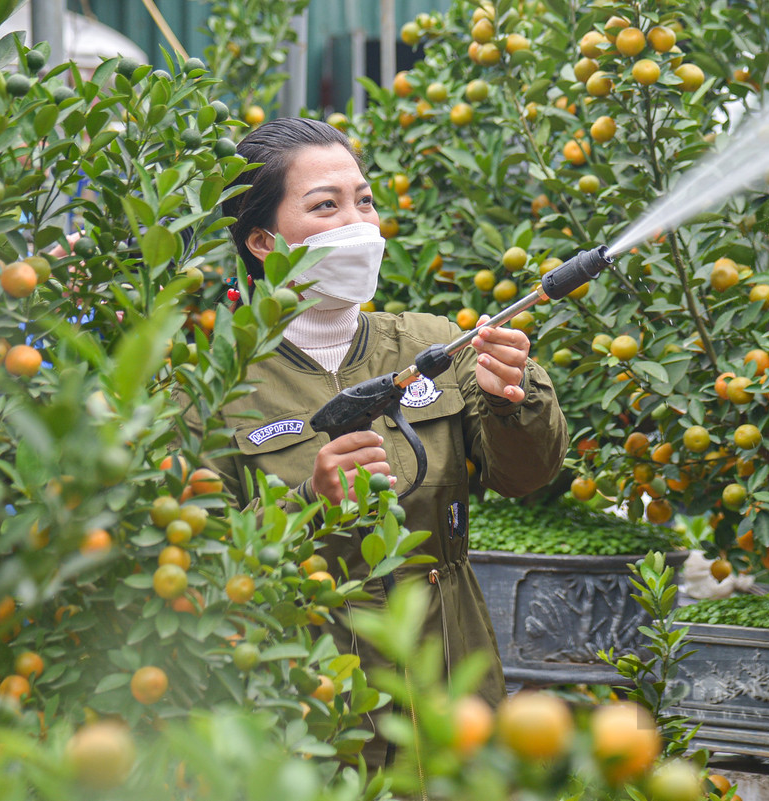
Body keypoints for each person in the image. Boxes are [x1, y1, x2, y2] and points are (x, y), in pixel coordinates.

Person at [201, 117, 568, 765]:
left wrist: (516, 395)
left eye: (364, 200)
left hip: (451, 668)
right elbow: (199, 567)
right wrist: (306, 505)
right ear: (263, 240)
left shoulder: (427, 345)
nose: (358, 223)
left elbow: (526, 475)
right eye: (326, 206)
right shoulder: (216, 382)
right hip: (312, 684)